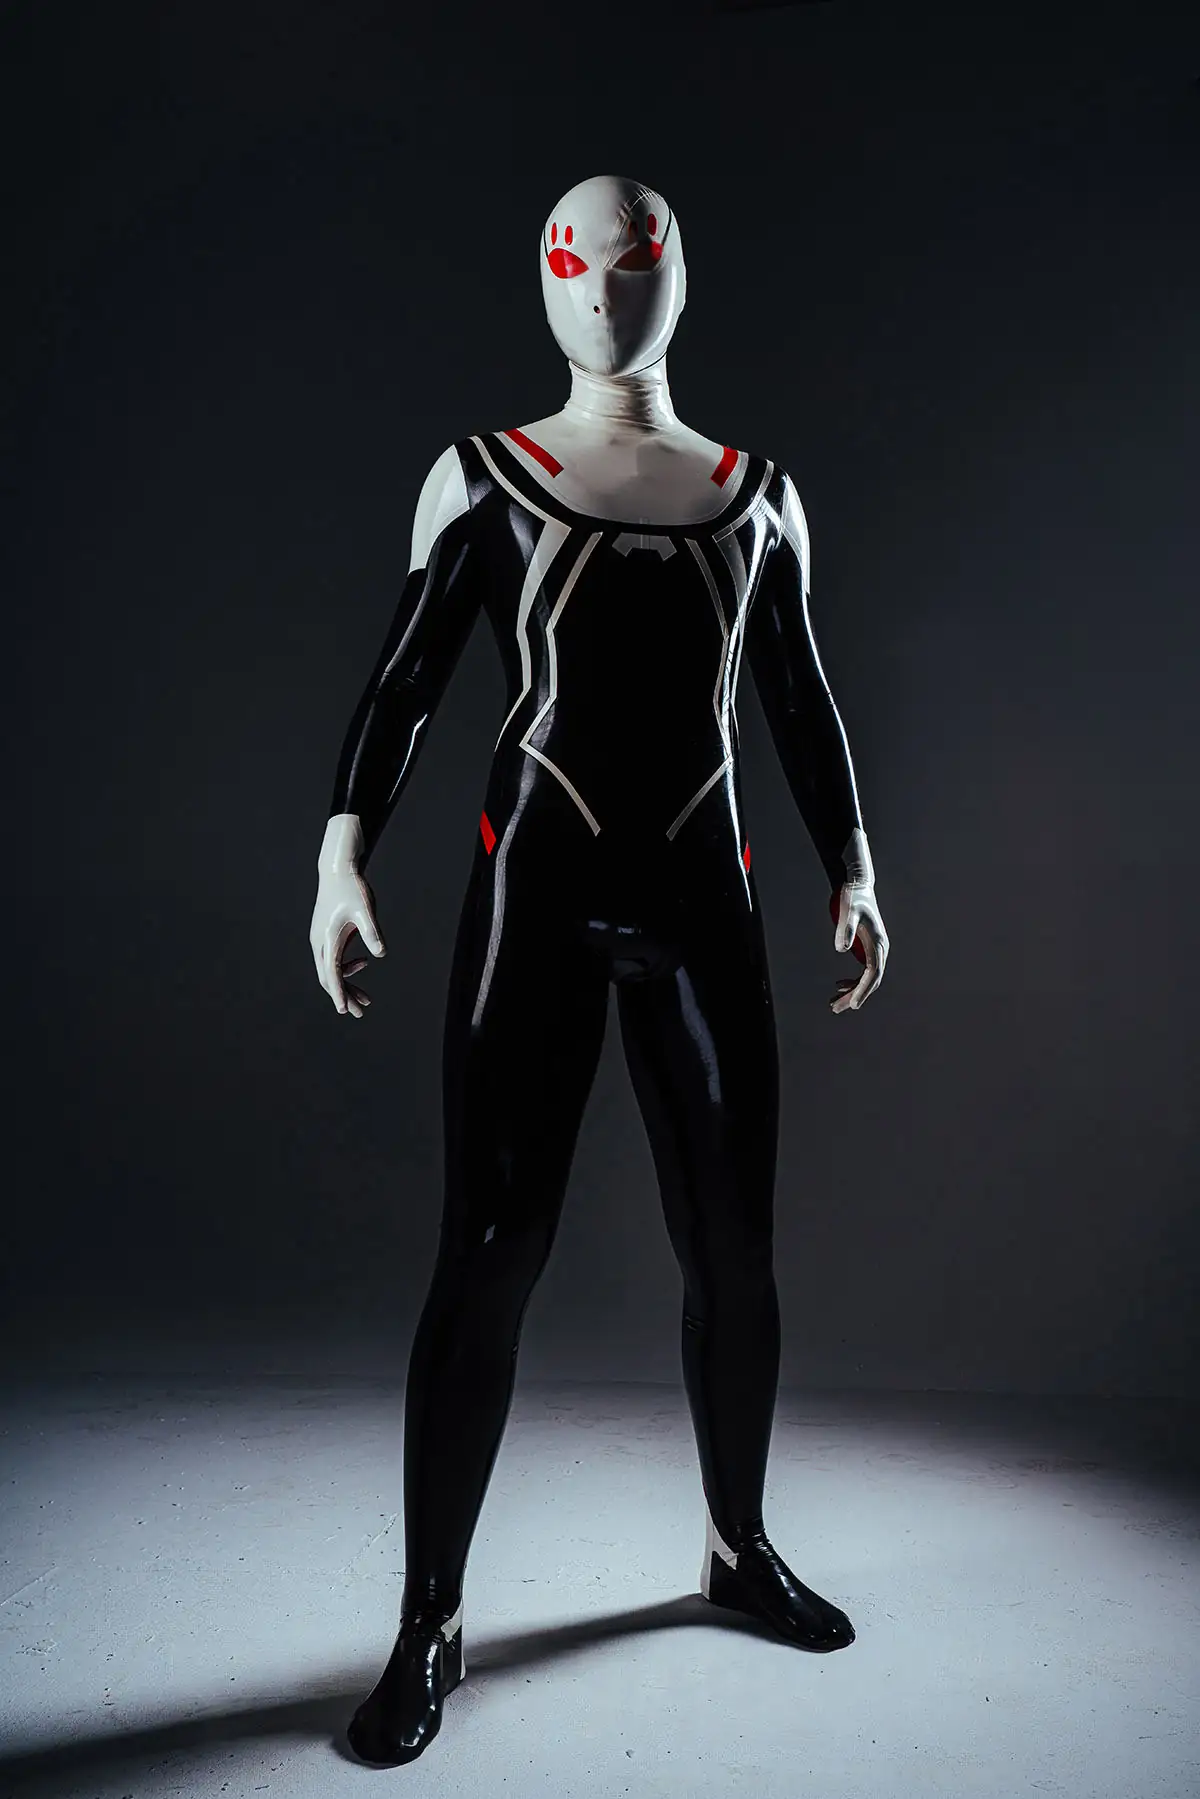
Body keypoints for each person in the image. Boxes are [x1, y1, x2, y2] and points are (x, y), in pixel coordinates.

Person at [309, 173, 889, 1768]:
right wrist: (341, 855)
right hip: (539, 891)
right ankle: (431, 1618)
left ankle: (739, 1546)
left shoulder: (760, 496)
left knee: (735, 1250)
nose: (604, 288)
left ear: (676, 278)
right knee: (491, 1248)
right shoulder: (486, 477)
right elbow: (405, 682)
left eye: (632, 264)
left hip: (706, 895)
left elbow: (800, 696)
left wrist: (853, 862)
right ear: (545, 279)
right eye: (578, 261)